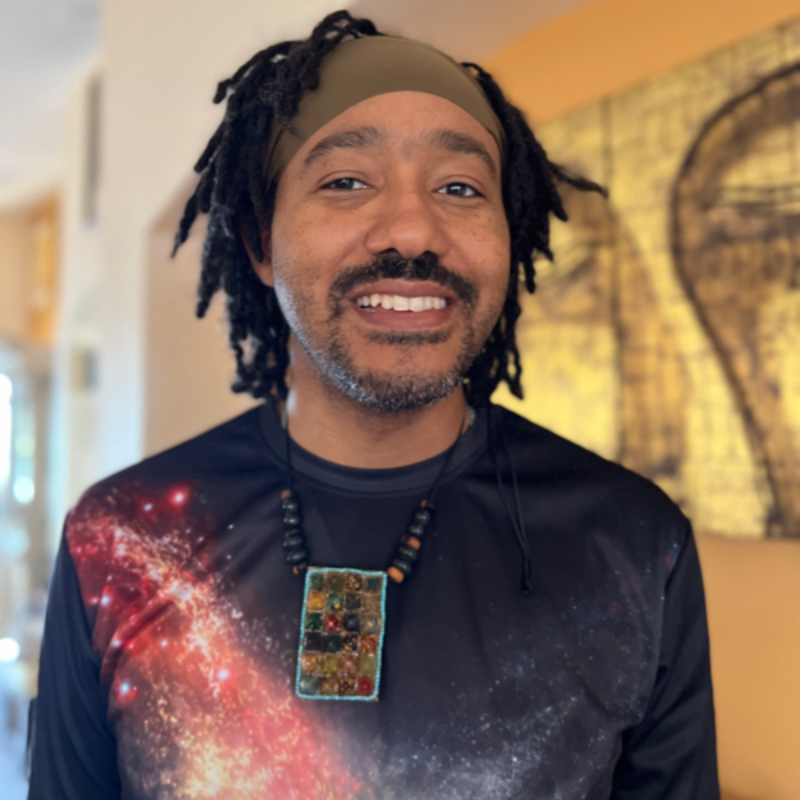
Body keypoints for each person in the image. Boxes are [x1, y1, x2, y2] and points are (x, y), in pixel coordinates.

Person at [27, 10, 719, 799]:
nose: (414, 230)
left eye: (459, 187)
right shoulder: (122, 538)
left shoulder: (635, 543)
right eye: (346, 182)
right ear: (260, 243)